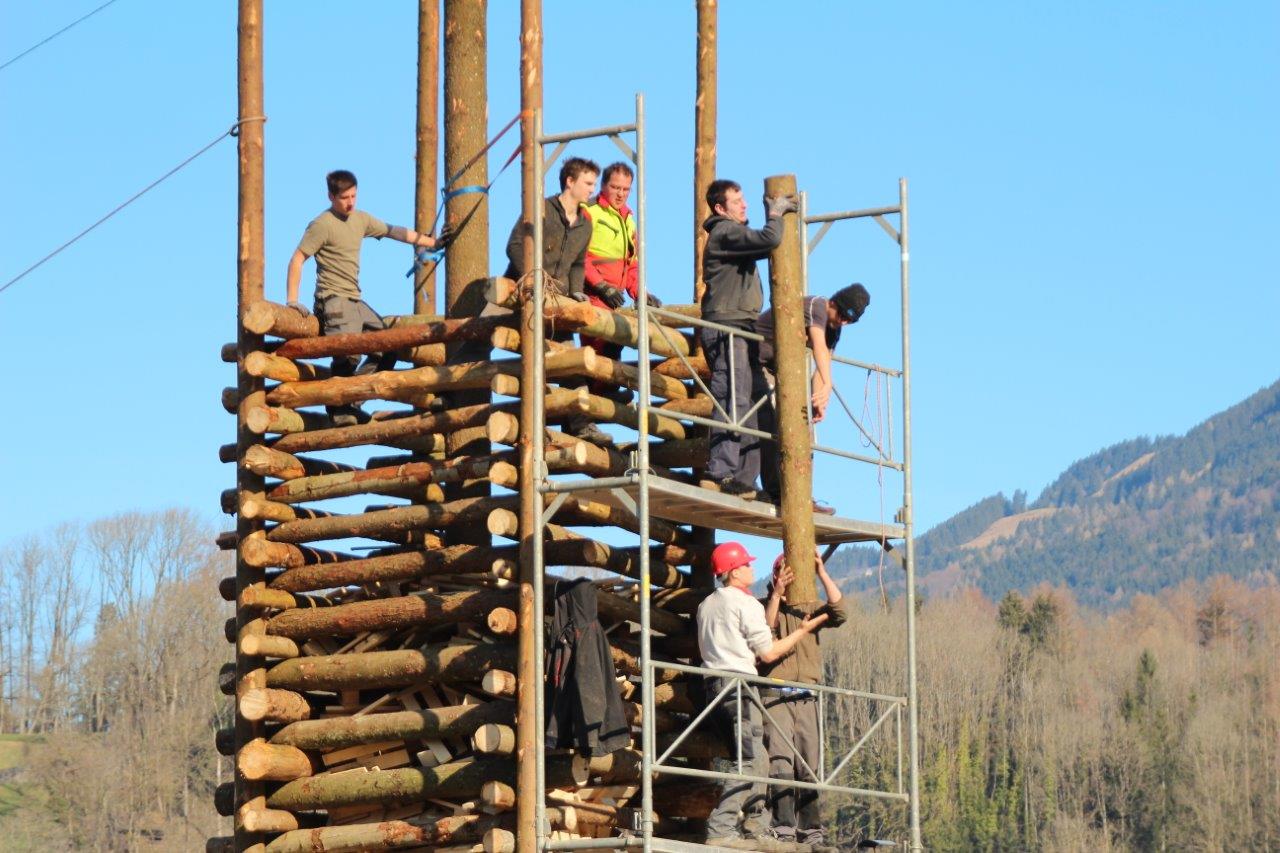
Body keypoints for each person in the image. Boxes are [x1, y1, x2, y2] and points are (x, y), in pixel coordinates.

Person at [285, 169, 448, 426]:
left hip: (355, 300)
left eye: (354, 196)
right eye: (344, 198)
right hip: (334, 300)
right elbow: (297, 259)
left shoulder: (360, 219)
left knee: (387, 350)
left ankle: (351, 403)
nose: (350, 202)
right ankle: (338, 409)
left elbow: (394, 231)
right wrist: (292, 300)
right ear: (331, 197)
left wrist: (433, 243)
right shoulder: (322, 225)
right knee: (348, 355)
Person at [697, 541, 828, 850]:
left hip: (712, 687)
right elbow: (768, 653)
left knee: (755, 758)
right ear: (733, 572)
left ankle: (756, 825)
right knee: (752, 761)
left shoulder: (707, 604)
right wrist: (801, 631)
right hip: (739, 688)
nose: (751, 568)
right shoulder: (746, 604)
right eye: (746, 564)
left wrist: (777, 595)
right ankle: (721, 828)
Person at [698, 179, 797, 499]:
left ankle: (743, 478)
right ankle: (720, 472)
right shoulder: (724, 232)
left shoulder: (733, 234)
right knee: (733, 399)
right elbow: (769, 239)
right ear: (720, 208)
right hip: (727, 327)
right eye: (737, 201)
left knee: (753, 403)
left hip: (742, 327)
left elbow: (764, 242)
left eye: (744, 199)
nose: (745, 205)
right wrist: (776, 215)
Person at [502, 157, 609, 444]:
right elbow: (514, 246)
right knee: (533, 364)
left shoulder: (585, 224)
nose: (592, 189)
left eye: (593, 184)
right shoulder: (542, 209)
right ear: (570, 182)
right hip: (526, 299)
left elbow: (578, 264)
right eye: (588, 183)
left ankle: (579, 424)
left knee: (570, 364)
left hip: (558, 305)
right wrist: (532, 276)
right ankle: (535, 429)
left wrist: (576, 292)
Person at [759, 551, 849, 853]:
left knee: (808, 762)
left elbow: (840, 611)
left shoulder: (810, 609)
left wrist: (821, 572)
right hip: (776, 695)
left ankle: (810, 831)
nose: (790, 579)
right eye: (783, 573)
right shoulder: (764, 605)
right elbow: (765, 634)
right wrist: (776, 595)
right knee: (780, 760)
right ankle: (783, 827)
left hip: (807, 697)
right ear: (775, 576)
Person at [755, 283, 871, 508]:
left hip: (780, 371)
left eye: (850, 321)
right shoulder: (817, 306)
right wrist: (828, 384)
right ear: (834, 303)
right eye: (843, 316)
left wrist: (819, 401)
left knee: (804, 428)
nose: (843, 323)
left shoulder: (835, 328)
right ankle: (775, 491)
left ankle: (802, 495)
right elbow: (818, 346)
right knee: (770, 422)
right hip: (757, 361)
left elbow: (822, 365)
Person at [579, 161, 660, 403]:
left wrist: (641, 293)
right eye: (615, 187)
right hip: (593, 295)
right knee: (596, 349)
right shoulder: (589, 212)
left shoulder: (628, 218)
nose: (620, 194)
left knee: (613, 345)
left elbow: (631, 264)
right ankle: (591, 401)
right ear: (603, 186)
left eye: (626, 189)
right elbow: (579, 256)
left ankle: (603, 395)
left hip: (614, 299)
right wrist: (600, 285)